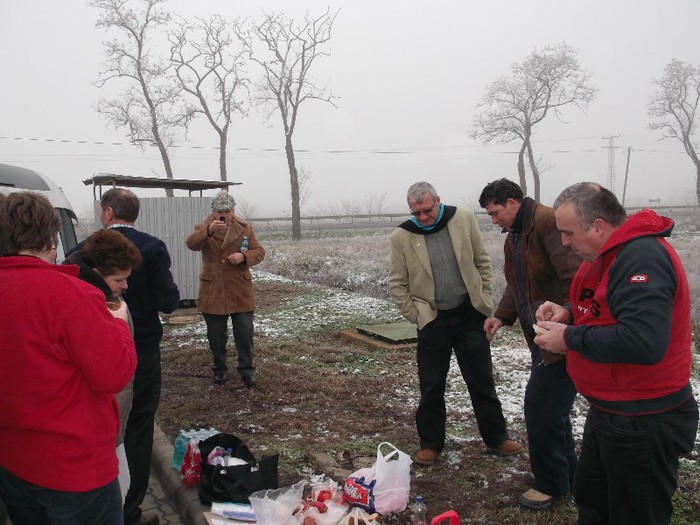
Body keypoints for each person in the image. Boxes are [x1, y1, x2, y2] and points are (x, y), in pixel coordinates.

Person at [535, 182, 699, 525]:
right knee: (594, 499)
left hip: (644, 416)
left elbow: (644, 341)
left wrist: (571, 338)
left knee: (635, 513)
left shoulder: (642, 257)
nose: (563, 241)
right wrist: (568, 311)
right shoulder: (604, 255)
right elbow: (603, 305)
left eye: (568, 233)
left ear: (598, 226)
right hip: (610, 409)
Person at [0, 192, 136, 525]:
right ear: (51, 237)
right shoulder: (71, 294)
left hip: (14, 462)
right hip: (76, 472)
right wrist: (119, 326)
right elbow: (113, 374)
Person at [388, 181, 523, 466]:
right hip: (432, 321)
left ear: (438, 200)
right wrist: (417, 315)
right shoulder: (402, 236)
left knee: (481, 381)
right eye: (416, 213)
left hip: (469, 314)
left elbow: (482, 262)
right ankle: (431, 443)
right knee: (432, 385)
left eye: (427, 210)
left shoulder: (462, 218)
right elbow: (397, 284)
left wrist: (483, 298)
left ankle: (497, 437)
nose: (422, 217)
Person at [70, 188, 180, 525]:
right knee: (139, 427)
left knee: (104, 427)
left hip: (92, 355)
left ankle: (101, 503)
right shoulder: (153, 247)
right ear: (134, 214)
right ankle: (130, 508)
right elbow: (169, 300)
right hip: (143, 351)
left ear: (107, 213)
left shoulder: (81, 250)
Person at [479, 179, 581, 509]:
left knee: (540, 409)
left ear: (512, 202)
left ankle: (551, 483)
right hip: (542, 338)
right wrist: (502, 316)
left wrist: (567, 318)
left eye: (495, 213)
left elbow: (576, 278)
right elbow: (516, 285)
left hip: (561, 336)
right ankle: (566, 476)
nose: (494, 220)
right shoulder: (516, 235)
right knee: (552, 411)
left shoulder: (547, 223)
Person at [63, 229, 143, 505]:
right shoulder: (89, 305)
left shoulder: (100, 296)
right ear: (96, 273)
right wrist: (118, 326)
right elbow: (113, 375)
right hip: (94, 438)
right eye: (118, 279)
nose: (125, 286)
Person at [185, 190, 266, 387]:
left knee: (244, 332)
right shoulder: (204, 227)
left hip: (239, 288)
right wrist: (208, 230)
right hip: (213, 289)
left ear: (233, 210)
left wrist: (243, 257)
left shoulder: (245, 228)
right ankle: (219, 369)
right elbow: (191, 244)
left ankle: (247, 370)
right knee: (216, 335)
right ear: (213, 212)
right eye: (219, 211)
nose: (224, 215)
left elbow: (259, 251)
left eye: (228, 211)